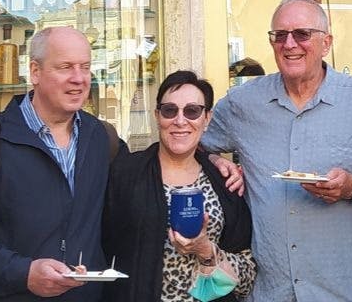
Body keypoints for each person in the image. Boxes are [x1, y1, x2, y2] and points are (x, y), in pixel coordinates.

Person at [201, 0, 352, 302]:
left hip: (347, 292)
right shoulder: (244, 103)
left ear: (326, 43)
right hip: (271, 292)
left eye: (302, 34)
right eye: (279, 35)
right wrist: (215, 159)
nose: (289, 44)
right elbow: (189, 142)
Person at [0, 26, 124, 302]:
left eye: (85, 67)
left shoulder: (104, 140)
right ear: (35, 72)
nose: (79, 79)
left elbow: (130, 215)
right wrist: (24, 273)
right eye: (65, 67)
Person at [105, 70, 256, 301]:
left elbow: (247, 275)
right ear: (157, 116)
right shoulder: (124, 174)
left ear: (207, 119)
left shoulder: (224, 182)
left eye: (192, 111)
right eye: (169, 110)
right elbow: (102, 247)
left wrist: (206, 250)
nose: (180, 120)